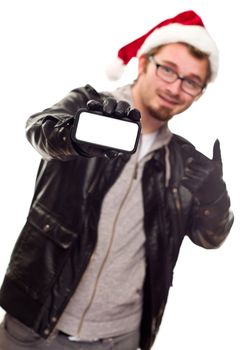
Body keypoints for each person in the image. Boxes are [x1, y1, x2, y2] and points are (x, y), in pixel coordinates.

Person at [0, 10, 234, 350]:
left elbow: (211, 239)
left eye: (191, 81)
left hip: (119, 338)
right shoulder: (87, 106)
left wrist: (215, 197)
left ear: (198, 93)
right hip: (34, 324)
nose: (175, 87)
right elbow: (39, 129)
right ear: (143, 64)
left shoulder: (184, 162)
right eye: (167, 69)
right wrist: (76, 135)